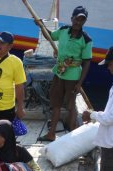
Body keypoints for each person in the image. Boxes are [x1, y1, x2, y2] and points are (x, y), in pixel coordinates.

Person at [40, 6, 93, 141]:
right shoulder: (63, 30)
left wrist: (79, 83)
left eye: (82, 20)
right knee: (56, 103)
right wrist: (41, 25)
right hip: (59, 73)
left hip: (73, 76)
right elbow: (50, 36)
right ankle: (52, 134)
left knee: (70, 106)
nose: (78, 22)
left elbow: (87, 62)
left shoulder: (86, 39)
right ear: (72, 18)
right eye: (77, 19)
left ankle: (73, 135)